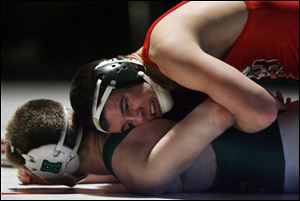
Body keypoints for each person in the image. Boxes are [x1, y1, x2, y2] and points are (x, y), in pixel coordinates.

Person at [70, 1, 298, 135]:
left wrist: (229, 115)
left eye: (126, 104)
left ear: (122, 71)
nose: (139, 118)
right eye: (128, 125)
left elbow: (262, 111)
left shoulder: (169, 54)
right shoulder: (169, 76)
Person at [5, 98, 299, 194]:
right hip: (284, 135)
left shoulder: (139, 171)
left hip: (287, 156)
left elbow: (219, 111)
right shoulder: (124, 124)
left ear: (54, 162)